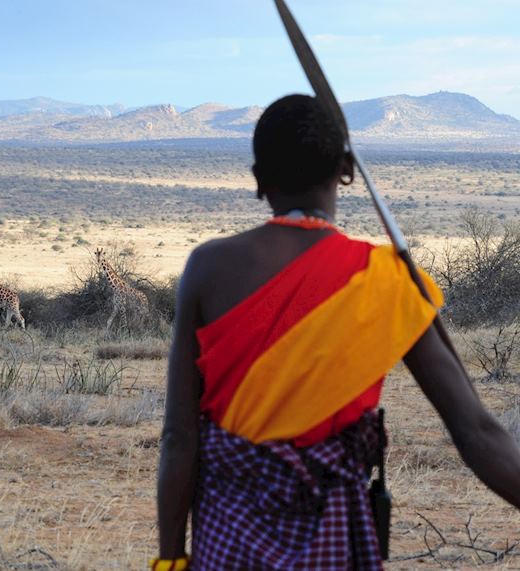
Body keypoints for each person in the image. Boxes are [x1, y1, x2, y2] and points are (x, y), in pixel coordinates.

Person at [151, 94, 520, 571]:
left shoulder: (208, 267)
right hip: (334, 548)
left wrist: (169, 560)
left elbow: (179, 438)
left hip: (229, 543)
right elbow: (478, 433)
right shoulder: (386, 281)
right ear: (346, 170)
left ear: (259, 180)